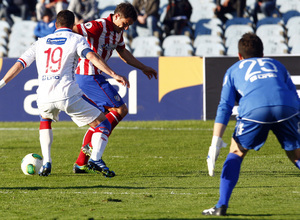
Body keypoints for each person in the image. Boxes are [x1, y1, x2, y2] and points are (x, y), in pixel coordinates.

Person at [0, 10, 129, 177]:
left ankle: (47, 162)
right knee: (102, 123)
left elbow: (20, 64)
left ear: (55, 25)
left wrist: (2, 83)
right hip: (68, 93)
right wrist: (113, 74)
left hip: (44, 95)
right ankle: (95, 159)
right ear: (72, 25)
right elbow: (92, 57)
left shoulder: (41, 42)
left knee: (45, 121)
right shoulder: (77, 39)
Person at [202, 33, 300, 216]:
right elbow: (294, 96)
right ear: (262, 53)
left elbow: (225, 107)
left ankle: (221, 206)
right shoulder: (277, 64)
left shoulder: (233, 69)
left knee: (237, 151)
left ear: (240, 56)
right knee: (295, 154)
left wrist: (215, 142)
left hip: (255, 111)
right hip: (287, 107)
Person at [72, 2, 158, 174]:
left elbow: (123, 53)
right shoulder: (98, 26)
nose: (126, 28)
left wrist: (143, 67)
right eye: (125, 23)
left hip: (93, 76)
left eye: (129, 25)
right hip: (87, 75)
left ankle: (81, 163)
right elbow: (73, 30)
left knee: (99, 119)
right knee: (120, 109)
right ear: (116, 16)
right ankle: (96, 156)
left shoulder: (117, 33)